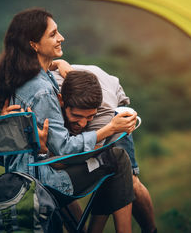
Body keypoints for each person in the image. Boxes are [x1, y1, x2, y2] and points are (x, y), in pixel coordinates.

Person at [0, 8, 136, 233]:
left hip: (21, 172)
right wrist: (109, 129)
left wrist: (60, 64)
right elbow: (65, 148)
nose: (61, 38)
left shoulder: (20, 79)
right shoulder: (42, 90)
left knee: (105, 161)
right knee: (117, 158)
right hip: (41, 180)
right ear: (33, 44)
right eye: (53, 34)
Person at [51, 62, 157, 233]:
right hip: (77, 89)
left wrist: (56, 159)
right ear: (62, 102)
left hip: (111, 114)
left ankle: (150, 229)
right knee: (57, 178)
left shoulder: (105, 115)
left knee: (124, 176)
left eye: (88, 118)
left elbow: (80, 157)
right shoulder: (48, 98)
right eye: (76, 116)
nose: (83, 123)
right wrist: (58, 63)